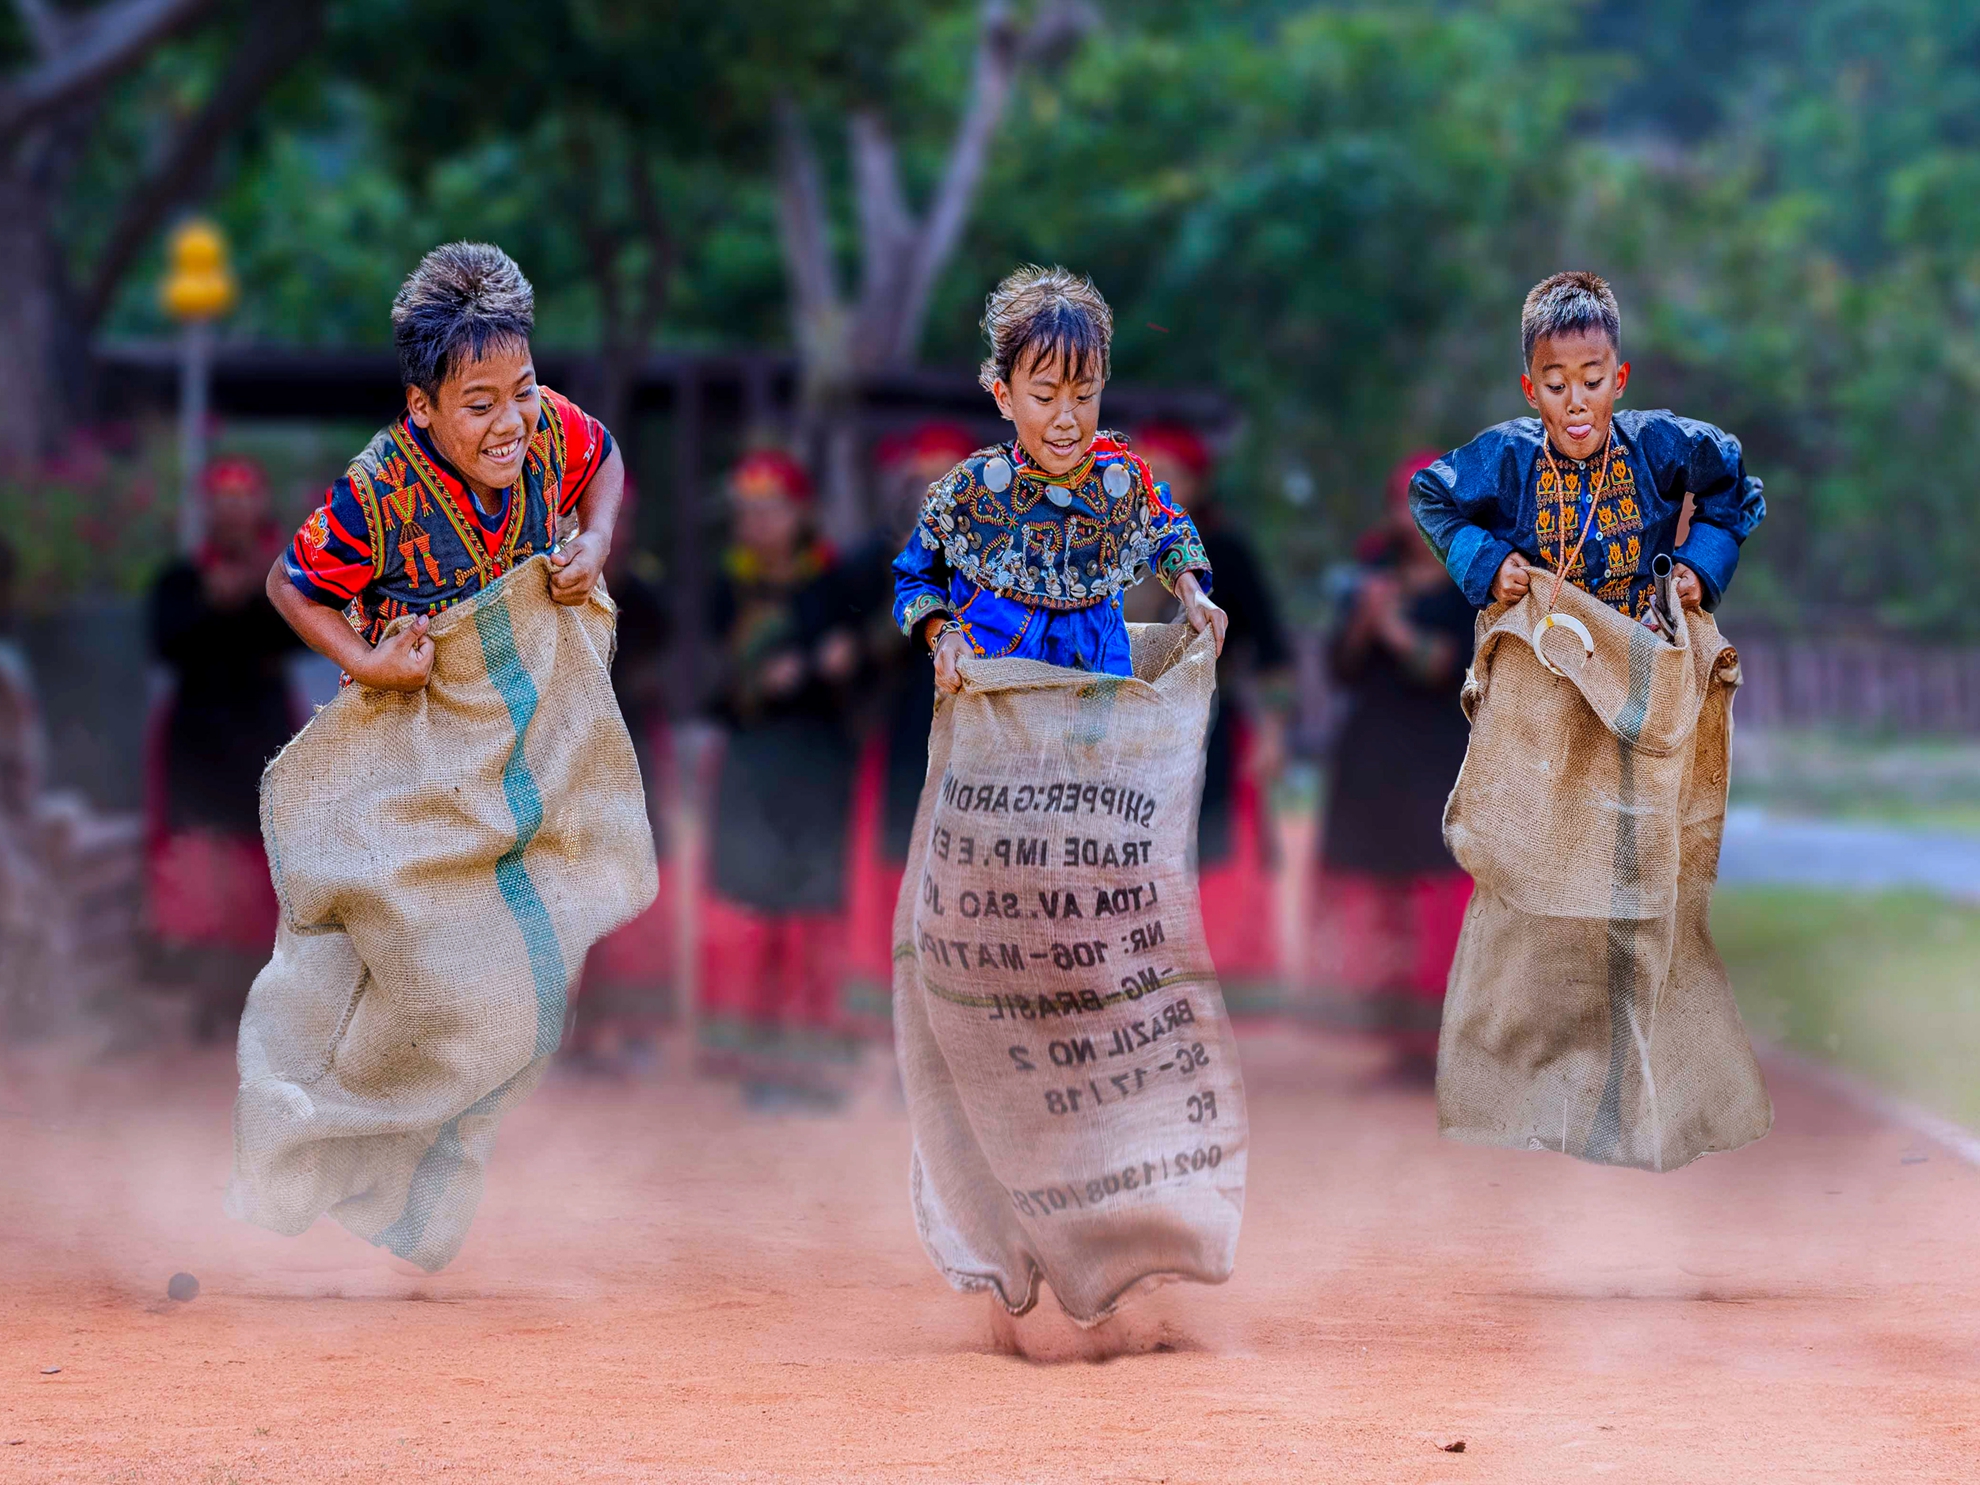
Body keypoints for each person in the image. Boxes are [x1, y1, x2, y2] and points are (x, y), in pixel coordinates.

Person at [271, 242, 622, 695]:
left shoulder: (551, 423)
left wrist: (596, 538)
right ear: (421, 404)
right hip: (416, 742)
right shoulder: (375, 492)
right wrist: (366, 663)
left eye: (523, 390)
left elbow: (602, 455)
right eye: (481, 405)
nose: (512, 423)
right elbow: (287, 584)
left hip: (536, 712)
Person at [892, 265, 1226, 691]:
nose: (1067, 419)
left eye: (1084, 396)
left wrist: (1192, 592)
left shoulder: (1118, 479)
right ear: (1005, 397)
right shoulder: (969, 490)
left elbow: (1165, 529)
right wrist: (942, 634)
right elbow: (915, 575)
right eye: (1045, 397)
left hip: (1099, 705)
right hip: (997, 707)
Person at [1409, 270, 1765, 626]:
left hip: (1646, 656)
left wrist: (1700, 566)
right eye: (1555, 385)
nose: (1576, 402)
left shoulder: (1656, 443)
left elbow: (1732, 480)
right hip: (1537, 662)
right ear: (1531, 391)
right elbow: (1428, 493)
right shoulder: (1507, 458)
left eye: (1592, 382)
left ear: (1619, 380)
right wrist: (1490, 565)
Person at [699, 448, 861, 1108]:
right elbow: (702, 682)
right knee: (757, 913)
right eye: (748, 512)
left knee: (815, 915)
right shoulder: (722, 589)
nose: (758, 524)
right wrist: (751, 680)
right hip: (753, 764)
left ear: (803, 514)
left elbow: (879, 658)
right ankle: (758, 1064)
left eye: (772, 510)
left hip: (820, 764)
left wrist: (846, 661)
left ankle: (817, 1066)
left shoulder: (839, 584)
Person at [1311, 452, 1475, 1078]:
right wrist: (1362, 620)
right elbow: (1341, 669)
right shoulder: (1373, 573)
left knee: (1438, 898)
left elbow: (1446, 670)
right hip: (1374, 762)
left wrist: (1393, 627)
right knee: (1381, 903)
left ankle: (1452, 1041)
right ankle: (1401, 1043)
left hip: (1441, 761)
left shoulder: (1475, 583)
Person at [1133, 423, 1292, 1014]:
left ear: (1199, 484)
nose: (1160, 483)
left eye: (1173, 470)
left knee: (1212, 847)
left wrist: (1273, 732)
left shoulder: (1227, 555)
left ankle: (1213, 994)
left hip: (1207, 729)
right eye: (1148, 471)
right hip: (1119, 731)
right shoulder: (1099, 547)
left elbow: (1274, 655)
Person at [146, 456, 303, 1039]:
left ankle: (251, 996)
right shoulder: (178, 582)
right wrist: (217, 603)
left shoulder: (286, 584)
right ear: (208, 511)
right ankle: (201, 997)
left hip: (260, 740)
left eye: (245, 496)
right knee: (199, 862)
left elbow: (299, 637)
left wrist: (252, 593)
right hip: (198, 741)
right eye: (224, 496)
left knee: (257, 868)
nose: (234, 508)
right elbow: (167, 644)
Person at [840, 420, 978, 1038]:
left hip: (979, 741)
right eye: (924, 483)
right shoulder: (881, 559)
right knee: (903, 870)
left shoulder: (1004, 555)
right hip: (903, 736)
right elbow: (858, 647)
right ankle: (899, 1028)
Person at [566, 478, 674, 1077]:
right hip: (571, 764)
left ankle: (637, 1028)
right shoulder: (554, 592)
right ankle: (577, 1037)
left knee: (636, 899)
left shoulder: (651, 603)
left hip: (633, 763)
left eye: (622, 520)